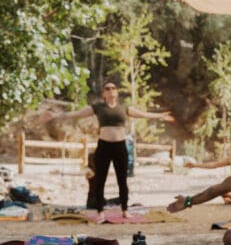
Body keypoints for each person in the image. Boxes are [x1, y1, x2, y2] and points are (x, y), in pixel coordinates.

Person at [41, 80, 175, 221]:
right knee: (100, 180)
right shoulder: (98, 107)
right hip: (104, 146)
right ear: (103, 93)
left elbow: (143, 114)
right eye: (107, 88)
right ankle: (100, 211)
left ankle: (125, 209)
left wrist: (159, 116)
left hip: (120, 147)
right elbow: (77, 114)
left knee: (122, 180)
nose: (111, 90)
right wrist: (56, 116)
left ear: (116, 92)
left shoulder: (124, 108)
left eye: (113, 88)